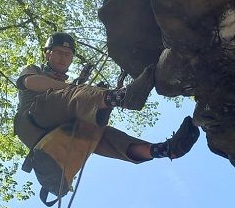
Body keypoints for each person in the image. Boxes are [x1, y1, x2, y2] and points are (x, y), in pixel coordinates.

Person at [14, 32, 200, 163]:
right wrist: (78, 88)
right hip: (34, 121)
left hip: (60, 133)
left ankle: (165, 150)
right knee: (74, 95)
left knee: (99, 134)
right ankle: (119, 98)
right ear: (47, 54)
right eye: (59, 53)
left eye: (68, 55)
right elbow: (31, 83)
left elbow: (71, 95)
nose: (64, 58)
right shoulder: (36, 71)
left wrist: (82, 89)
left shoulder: (71, 88)